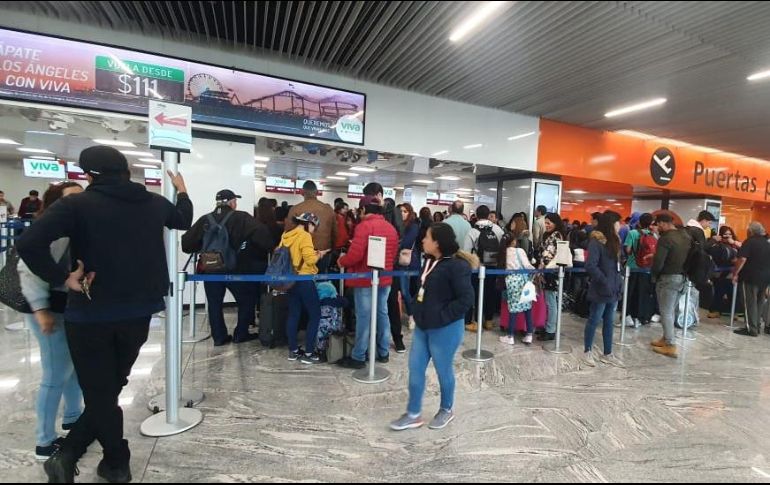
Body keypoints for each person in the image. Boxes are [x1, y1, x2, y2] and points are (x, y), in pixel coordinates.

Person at [17, 145, 193, 483]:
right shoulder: (154, 203)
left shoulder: (76, 205)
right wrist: (182, 190)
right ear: (126, 170)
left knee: (101, 390)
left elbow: (28, 245)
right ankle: (113, 461)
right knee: (110, 386)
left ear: (88, 175)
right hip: (140, 311)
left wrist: (62, 278)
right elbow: (183, 220)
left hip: (90, 312)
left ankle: (84, 457)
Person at [18, 182, 84, 461]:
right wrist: (42, 310)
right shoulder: (54, 231)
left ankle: (73, 417)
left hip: (62, 306)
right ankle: (44, 442)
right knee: (55, 373)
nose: (79, 203)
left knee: (70, 367)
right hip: (46, 308)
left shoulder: (75, 228)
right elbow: (28, 270)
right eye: (71, 198)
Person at [389, 223, 476, 431]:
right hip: (423, 326)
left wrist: (442, 316)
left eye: (426, 237)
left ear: (437, 242)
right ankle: (413, 414)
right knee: (415, 368)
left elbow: (467, 299)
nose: (423, 241)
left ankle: (446, 409)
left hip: (445, 329)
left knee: (443, 370)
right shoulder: (429, 260)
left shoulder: (457, 266)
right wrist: (416, 311)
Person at [182, 189, 273, 346]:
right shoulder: (241, 217)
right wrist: (269, 248)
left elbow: (187, 244)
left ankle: (219, 337)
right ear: (231, 202)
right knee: (246, 299)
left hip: (210, 268)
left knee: (214, 303)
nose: (236, 204)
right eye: (235, 201)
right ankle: (240, 333)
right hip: (234, 269)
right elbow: (262, 234)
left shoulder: (205, 219)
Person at [337, 196, 399, 369]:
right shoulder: (390, 227)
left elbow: (355, 254)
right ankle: (383, 352)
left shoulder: (364, 226)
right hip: (385, 278)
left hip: (365, 279)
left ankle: (358, 356)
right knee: (382, 314)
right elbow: (393, 255)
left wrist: (342, 262)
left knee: (364, 317)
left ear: (363, 210)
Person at [581, 213, 625, 368]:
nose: (619, 225)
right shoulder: (596, 242)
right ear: (610, 224)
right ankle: (587, 351)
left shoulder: (616, 241)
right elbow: (591, 266)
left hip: (614, 289)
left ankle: (608, 353)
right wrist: (604, 281)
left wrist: (618, 283)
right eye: (617, 222)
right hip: (601, 289)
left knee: (609, 321)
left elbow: (617, 266)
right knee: (594, 319)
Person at [281, 212, 326, 363]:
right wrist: (319, 254)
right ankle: (309, 353)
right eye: (314, 226)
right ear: (309, 224)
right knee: (315, 315)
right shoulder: (305, 236)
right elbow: (309, 259)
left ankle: (293, 351)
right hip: (305, 280)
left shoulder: (286, 235)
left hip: (290, 280)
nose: (314, 230)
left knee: (294, 314)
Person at [650, 213, 692, 358]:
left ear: (663, 223)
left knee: (666, 312)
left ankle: (670, 345)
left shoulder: (666, 238)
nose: (658, 227)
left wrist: (654, 275)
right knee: (671, 311)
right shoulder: (685, 236)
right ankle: (666, 337)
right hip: (683, 278)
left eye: (658, 224)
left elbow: (659, 262)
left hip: (668, 278)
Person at [463, 205, 505, 332]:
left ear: (476, 214)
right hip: (493, 268)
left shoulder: (472, 231)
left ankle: (475, 321)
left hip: (477, 268)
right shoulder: (497, 229)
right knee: (490, 293)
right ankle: (489, 321)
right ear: (488, 215)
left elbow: (466, 251)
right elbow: (503, 247)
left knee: (475, 294)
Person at [286, 181, 336, 274]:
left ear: (302, 192)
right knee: (321, 283)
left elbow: (288, 233)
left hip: (301, 254)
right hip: (323, 252)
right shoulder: (328, 209)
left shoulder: (295, 209)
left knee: (303, 283)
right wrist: (331, 249)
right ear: (317, 192)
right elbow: (335, 233)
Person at [389, 203, 421, 347]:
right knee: (397, 291)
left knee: (405, 290)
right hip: (395, 262)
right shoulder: (395, 224)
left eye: (405, 211)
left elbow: (406, 242)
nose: (402, 213)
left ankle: (412, 315)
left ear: (410, 212)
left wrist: (396, 242)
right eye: (400, 211)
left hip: (406, 262)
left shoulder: (413, 226)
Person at [732, 222, 770, 337]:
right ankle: (756, 326)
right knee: (759, 302)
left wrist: (735, 273)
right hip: (765, 277)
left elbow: (742, 259)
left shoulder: (750, 242)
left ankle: (750, 329)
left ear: (751, 231)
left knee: (749, 302)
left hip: (750, 276)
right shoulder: (767, 243)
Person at [499, 235, 536, 346]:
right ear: (514, 241)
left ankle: (510, 336)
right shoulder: (520, 251)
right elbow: (527, 265)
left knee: (513, 308)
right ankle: (529, 335)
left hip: (511, 281)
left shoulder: (503, 253)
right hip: (523, 280)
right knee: (527, 307)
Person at [537, 213, 566, 341]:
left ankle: (551, 330)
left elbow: (550, 254)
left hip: (553, 273)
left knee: (551, 302)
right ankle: (548, 326)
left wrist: (542, 265)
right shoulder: (549, 235)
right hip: (547, 272)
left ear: (556, 223)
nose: (547, 225)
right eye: (546, 223)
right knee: (549, 301)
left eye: (549, 223)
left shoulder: (558, 236)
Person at [624, 213, 656, 327]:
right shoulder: (654, 235)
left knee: (630, 293)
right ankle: (639, 318)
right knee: (642, 294)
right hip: (646, 269)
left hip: (632, 267)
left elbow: (627, 250)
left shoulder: (632, 233)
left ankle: (627, 316)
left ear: (638, 222)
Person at [707, 225, 741, 319]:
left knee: (732, 292)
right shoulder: (717, 245)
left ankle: (734, 311)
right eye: (725, 234)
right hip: (720, 271)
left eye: (730, 234)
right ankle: (715, 310)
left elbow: (743, 252)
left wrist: (733, 242)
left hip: (733, 271)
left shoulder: (736, 244)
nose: (728, 236)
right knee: (719, 290)